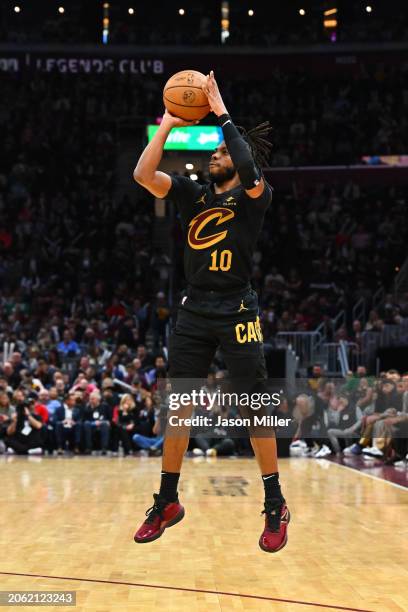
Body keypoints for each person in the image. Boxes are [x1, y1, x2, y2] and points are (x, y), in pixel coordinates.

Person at [132, 70, 289, 553]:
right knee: (178, 405)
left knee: (252, 407)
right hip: (195, 309)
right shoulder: (191, 194)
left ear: (238, 165)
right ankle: (167, 500)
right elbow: (142, 174)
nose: (214, 157)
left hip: (237, 306)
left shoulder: (253, 198)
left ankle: (275, 502)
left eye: (221, 153)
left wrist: (222, 114)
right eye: (215, 152)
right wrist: (168, 123)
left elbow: (246, 161)